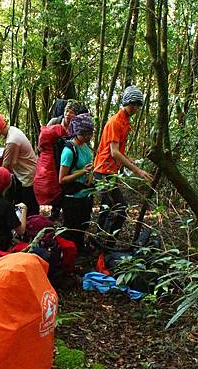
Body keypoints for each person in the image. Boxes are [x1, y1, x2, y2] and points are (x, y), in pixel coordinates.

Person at [94, 86, 153, 239]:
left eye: (137, 105)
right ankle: (105, 242)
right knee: (119, 208)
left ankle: (102, 242)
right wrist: (137, 171)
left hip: (110, 171)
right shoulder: (116, 122)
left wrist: (127, 159)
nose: (135, 108)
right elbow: (114, 152)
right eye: (132, 104)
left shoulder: (125, 121)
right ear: (126, 103)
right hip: (103, 171)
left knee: (107, 208)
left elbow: (116, 150)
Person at [0, 113, 39, 215]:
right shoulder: (12, 130)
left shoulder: (12, 140)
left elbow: (6, 166)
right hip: (24, 173)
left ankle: (29, 226)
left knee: (28, 206)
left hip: (26, 175)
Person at [59, 113, 95, 252]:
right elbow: (61, 179)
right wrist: (82, 172)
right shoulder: (68, 151)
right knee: (72, 229)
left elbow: (89, 167)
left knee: (82, 227)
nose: (88, 136)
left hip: (85, 195)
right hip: (72, 198)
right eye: (85, 133)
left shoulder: (86, 147)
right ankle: (69, 255)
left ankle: (79, 250)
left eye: (90, 133)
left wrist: (89, 178)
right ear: (77, 132)